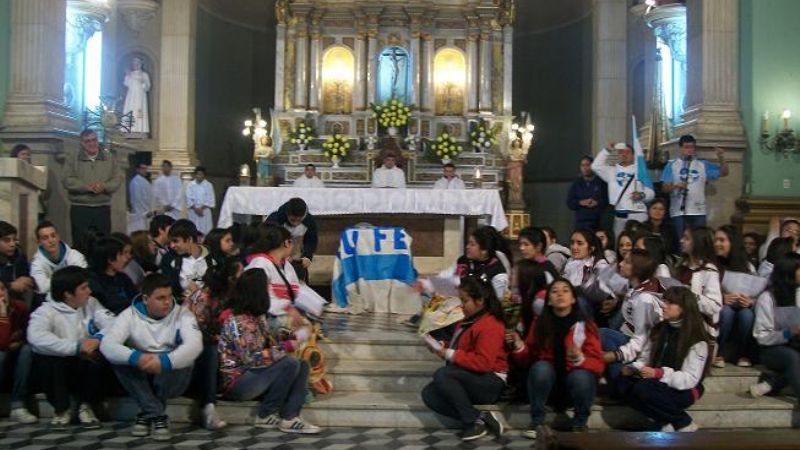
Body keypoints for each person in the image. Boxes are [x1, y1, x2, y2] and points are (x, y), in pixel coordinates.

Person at [100, 273, 202, 440]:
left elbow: (194, 345)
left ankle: (147, 412)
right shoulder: (129, 315)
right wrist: (136, 357)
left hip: (173, 376)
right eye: (160, 298)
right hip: (143, 370)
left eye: (169, 296)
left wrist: (164, 361)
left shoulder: (183, 314)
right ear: (146, 299)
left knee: (178, 356)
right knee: (119, 359)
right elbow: (108, 344)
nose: (167, 302)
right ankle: (157, 415)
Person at [218, 268, 321, 434]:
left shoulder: (257, 316)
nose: (270, 291)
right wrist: (287, 347)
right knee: (290, 363)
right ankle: (265, 414)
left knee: (302, 365)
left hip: (255, 374)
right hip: (237, 382)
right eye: (267, 287)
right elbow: (252, 358)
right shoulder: (238, 321)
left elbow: (266, 341)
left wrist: (293, 335)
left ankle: (290, 416)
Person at [508, 279, 604, 439]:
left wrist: (580, 359)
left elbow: (598, 365)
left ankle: (580, 423)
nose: (560, 294)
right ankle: (537, 422)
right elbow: (528, 360)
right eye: (555, 291)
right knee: (541, 367)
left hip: (575, 386)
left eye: (566, 290)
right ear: (549, 301)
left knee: (581, 376)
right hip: (547, 387)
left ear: (573, 299)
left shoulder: (585, 325)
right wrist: (519, 346)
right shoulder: (539, 323)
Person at [421, 275, 507, 441]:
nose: (461, 305)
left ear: (480, 300)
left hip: (490, 382)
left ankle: (471, 423)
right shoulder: (469, 320)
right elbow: (463, 348)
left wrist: (449, 354)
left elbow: (483, 363)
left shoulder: (491, 324)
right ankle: (479, 417)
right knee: (429, 394)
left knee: (443, 375)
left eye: (465, 300)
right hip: (470, 376)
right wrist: (441, 345)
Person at [27, 266, 115, 429]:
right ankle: (62, 409)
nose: (89, 291)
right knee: (47, 358)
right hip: (60, 365)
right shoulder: (46, 311)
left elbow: (113, 323)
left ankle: (86, 406)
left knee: (98, 356)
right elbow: (36, 337)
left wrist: (97, 339)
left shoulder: (91, 303)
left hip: (85, 363)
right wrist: (75, 347)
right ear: (68, 293)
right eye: (83, 288)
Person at [616, 286, 709, 433]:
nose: (664, 306)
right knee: (622, 383)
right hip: (656, 382)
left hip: (684, 388)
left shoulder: (695, 338)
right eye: (664, 301)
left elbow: (689, 378)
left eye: (670, 303)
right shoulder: (659, 329)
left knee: (643, 389)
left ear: (683, 308)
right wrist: (634, 367)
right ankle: (665, 421)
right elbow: (646, 358)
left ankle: (683, 422)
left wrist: (659, 374)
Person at [186, 257, 242, 431]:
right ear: (230, 278)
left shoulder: (230, 296)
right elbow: (195, 330)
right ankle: (208, 406)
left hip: (218, 346)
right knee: (210, 351)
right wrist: (218, 337)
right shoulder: (205, 297)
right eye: (241, 274)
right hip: (194, 351)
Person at [601, 249, 664, 385]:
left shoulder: (644, 299)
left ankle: (621, 384)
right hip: (629, 337)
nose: (621, 264)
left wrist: (616, 355)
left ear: (638, 269)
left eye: (627, 262)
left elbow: (642, 340)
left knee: (604, 334)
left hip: (643, 351)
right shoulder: (637, 288)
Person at [661, 135, 729, 244]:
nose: (690, 150)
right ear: (680, 148)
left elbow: (724, 172)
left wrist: (721, 157)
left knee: (700, 242)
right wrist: (676, 186)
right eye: (686, 147)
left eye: (692, 147)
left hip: (698, 210)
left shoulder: (702, 165)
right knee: (682, 242)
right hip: (679, 211)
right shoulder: (672, 165)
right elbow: (664, 188)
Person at [750, 253, 800, 400]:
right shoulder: (768, 298)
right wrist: (789, 332)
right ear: (789, 271)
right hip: (773, 349)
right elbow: (762, 336)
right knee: (793, 358)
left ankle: (773, 383)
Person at [62, 129, 124, 245]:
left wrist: (104, 186)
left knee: (103, 244)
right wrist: (85, 187)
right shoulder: (73, 158)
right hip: (80, 209)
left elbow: (118, 178)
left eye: (94, 140)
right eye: (87, 141)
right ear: (82, 143)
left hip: (102, 208)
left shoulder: (109, 158)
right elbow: (66, 180)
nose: (92, 143)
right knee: (81, 243)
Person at [714, 225, 757, 368]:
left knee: (747, 315)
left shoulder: (747, 265)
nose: (717, 244)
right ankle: (719, 352)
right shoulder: (712, 264)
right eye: (716, 240)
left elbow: (758, 290)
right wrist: (722, 298)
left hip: (743, 306)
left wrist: (751, 301)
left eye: (722, 240)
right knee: (726, 312)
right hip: (722, 306)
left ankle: (743, 354)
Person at [591, 142, 654, 238]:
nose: (624, 154)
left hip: (637, 214)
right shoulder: (611, 171)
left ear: (633, 155)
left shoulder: (640, 171)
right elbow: (595, 166)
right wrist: (607, 150)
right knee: (620, 244)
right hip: (619, 217)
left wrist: (642, 195)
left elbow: (651, 193)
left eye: (627, 152)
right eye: (621, 152)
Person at [675, 226, 722, 339]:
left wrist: (689, 295)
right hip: (679, 323)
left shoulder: (709, 270)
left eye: (686, 238)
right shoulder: (681, 267)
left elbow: (715, 306)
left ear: (697, 242)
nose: (681, 241)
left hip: (699, 329)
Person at [0, 279, 36, 424]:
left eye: (2, 289)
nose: (1, 294)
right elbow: (2, 343)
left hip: (16, 353)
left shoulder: (19, 308)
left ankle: (18, 405)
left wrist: (19, 342)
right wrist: (2, 314)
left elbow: (30, 335)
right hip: (3, 352)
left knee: (27, 350)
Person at [561, 229, 611, 320]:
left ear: (591, 248)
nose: (574, 247)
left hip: (592, 307)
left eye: (579, 243)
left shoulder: (600, 264)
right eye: (572, 243)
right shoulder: (570, 262)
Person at [266, 198, 318, 282]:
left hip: (294, 251)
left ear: (304, 216)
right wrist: (280, 254)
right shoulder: (275, 218)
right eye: (292, 220)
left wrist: (307, 256)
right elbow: (268, 239)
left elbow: (311, 240)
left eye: (299, 220)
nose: (295, 223)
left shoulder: (310, 221)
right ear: (287, 214)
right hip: (274, 252)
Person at [30, 221, 88, 295]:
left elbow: (82, 279)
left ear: (58, 237)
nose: (51, 241)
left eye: (53, 236)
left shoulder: (74, 255)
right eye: (45, 238)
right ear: (39, 242)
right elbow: (43, 288)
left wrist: (51, 281)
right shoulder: (36, 263)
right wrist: (70, 278)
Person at [517, 227, 559, 325]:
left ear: (539, 246)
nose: (521, 248)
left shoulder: (547, 269)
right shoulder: (522, 265)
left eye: (526, 244)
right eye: (520, 244)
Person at [88, 237, 138, 315]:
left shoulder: (123, 277)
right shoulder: (92, 280)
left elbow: (137, 299)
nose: (125, 259)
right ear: (110, 259)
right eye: (121, 254)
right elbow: (109, 303)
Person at [161, 219, 209, 300]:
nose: (172, 246)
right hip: (184, 308)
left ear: (189, 239)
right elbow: (171, 294)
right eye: (170, 242)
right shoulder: (169, 259)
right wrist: (188, 293)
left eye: (175, 241)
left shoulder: (211, 256)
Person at [567, 156, 608, 231]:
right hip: (581, 222)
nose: (585, 168)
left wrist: (597, 203)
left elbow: (607, 201)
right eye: (583, 165)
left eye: (588, 165)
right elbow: (570, 203)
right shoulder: (576, 183)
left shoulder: (601, 182)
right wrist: (580, 202)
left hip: (598, 222)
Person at [0, 221, 35, 301]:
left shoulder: (19, 255)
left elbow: (27, 276)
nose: (12, 244)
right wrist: (10, 286)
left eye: (14, 240)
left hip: (17, 302)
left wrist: (28, 281)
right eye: (7, 240)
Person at [122, 56, 151, 134]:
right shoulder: (130, 74)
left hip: (140, 98)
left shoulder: (144, 74)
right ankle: (129, 129)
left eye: (137, 63)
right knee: (130, 111)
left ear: (140, 64)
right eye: (134, 63)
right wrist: (128, 75)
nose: (136, 65)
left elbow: (147, 87)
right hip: (131, 98)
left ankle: (141, 129)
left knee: (139, 112)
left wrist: (142, 82)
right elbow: (126, 83)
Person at [186, 166, 216, 235]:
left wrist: (201, 208)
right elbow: (188, 198)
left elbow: (210, 199)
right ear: (195, 175)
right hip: (193, 211)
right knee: (193, 231)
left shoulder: (209, 185)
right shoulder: (190, 185)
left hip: (204, 211)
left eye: (201, 174)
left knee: (205, 231)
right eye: (198, 174)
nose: (199, 176)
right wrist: (196, 209)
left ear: (204, 175)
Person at [128, 161, 153, 233]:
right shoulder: (135, 181)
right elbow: (137, 199)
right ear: (137, 169)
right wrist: (144, 213)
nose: (145, 170)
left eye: (146, 168)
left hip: (147, 212)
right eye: (143, 168)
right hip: (140, 213)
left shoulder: (145, 181)